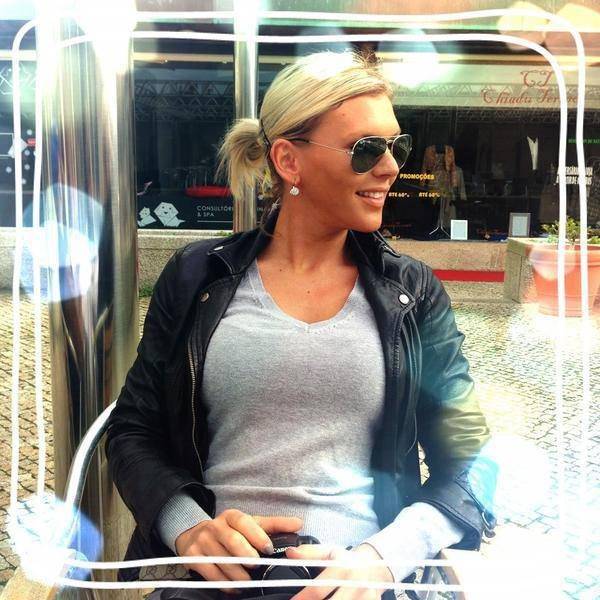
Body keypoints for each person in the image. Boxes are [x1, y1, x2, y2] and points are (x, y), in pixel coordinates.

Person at [106, 51, 495, 600]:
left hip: (360, 582)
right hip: (217, 585)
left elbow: (471, 462)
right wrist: (188, 526)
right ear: (289, 161)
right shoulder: (197, 276)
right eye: (367, 149)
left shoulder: (413, 291)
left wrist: (386, 558)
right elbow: (133, 430)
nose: (390, 167)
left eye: (397, 146)